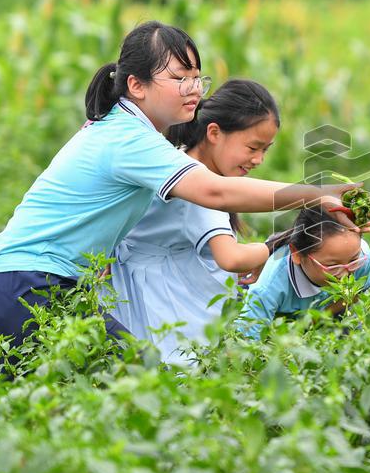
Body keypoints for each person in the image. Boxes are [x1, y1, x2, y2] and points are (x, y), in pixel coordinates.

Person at [0, 21, 359, 375]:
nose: (193, 90)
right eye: (179, 78)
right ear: (136, 85)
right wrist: (315, 195)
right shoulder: (129, 138)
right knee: (143, 386)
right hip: (31, 285)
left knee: (21, 419)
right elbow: (215, 190)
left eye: (196, 79)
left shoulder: (120, 130)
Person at [110, 79, 281, 362]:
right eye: (253, 147)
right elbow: (231, 258)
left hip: (143, 302)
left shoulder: (179, 163)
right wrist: (275, 245)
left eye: (266, 150)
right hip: (160, 315)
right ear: (214, 133)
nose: (259, 159)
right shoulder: (199, 186)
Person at [241, 205, 370, 335]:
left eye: (353, 261)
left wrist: (314, 321)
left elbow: (356, 295)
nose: (346, 274)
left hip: (322, 314)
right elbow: (248, 337)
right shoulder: (271, 284)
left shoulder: (363, 260)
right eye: (333, 265)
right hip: (274, 317)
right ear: (297, 254)